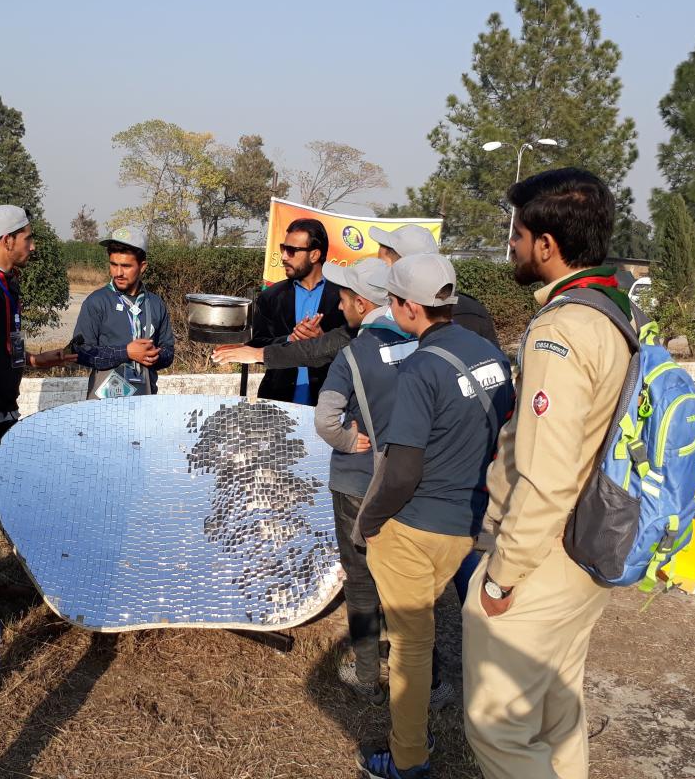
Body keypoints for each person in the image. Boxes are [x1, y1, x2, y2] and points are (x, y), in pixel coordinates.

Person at [462, 168, 628, 779]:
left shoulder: (562, 328)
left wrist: (502, 578)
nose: (511, 244)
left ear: (546, 245)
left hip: (542, 555)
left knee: (498, 726)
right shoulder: (611, 310)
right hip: (585, 548)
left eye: (517, 232)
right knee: (557, 714)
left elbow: (547, 476)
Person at [355, 253, 514, 779]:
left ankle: (407, 760)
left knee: (411, 648)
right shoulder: (489, 352)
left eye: (392, 301)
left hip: (417, 525)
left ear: (406, 307)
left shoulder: (422, 368)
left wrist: (370, 522)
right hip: (469, 520)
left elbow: (401, 470)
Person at [312, 257, 411, 705]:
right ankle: (418, 673)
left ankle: (367, 672)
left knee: (360, 577)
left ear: (360, 302)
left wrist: (351, 441)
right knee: (403, 579)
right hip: (407, 482)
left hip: (356, 483)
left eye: (343, 296)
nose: (338, 302)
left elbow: (327, 420)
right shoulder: (419, 346)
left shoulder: (352, 356)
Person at [215, 223, 496, 369]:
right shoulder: (382, 323)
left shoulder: (466, 318)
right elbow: (325, 346)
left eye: (383, 263)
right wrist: (259, 353)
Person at [0, 205, 74, 466]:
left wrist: (34, 360)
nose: (33, 246)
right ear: (7, 240)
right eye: (28, 238)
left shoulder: (7, 283)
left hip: (6, 412)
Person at [247, 218, 346, 404]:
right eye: (283, 248)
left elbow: (355, 348)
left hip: (330, 404)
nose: (284, 257)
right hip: (278, 400)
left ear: (315, 255)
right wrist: (288, 340)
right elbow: (256, 345)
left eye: (291, 251)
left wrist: (322, 341)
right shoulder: (271, 296)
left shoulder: (344, 298)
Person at [72, 227, 175, 399]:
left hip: (145, 402)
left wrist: (153, 355)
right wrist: (126, 352)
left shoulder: (155, 304)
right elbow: (80, 351)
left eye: (126, 266)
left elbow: (169, 351)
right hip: (104, 404)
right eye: (114, 264)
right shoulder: (97, 302)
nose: (118, 273)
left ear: (142, 267)